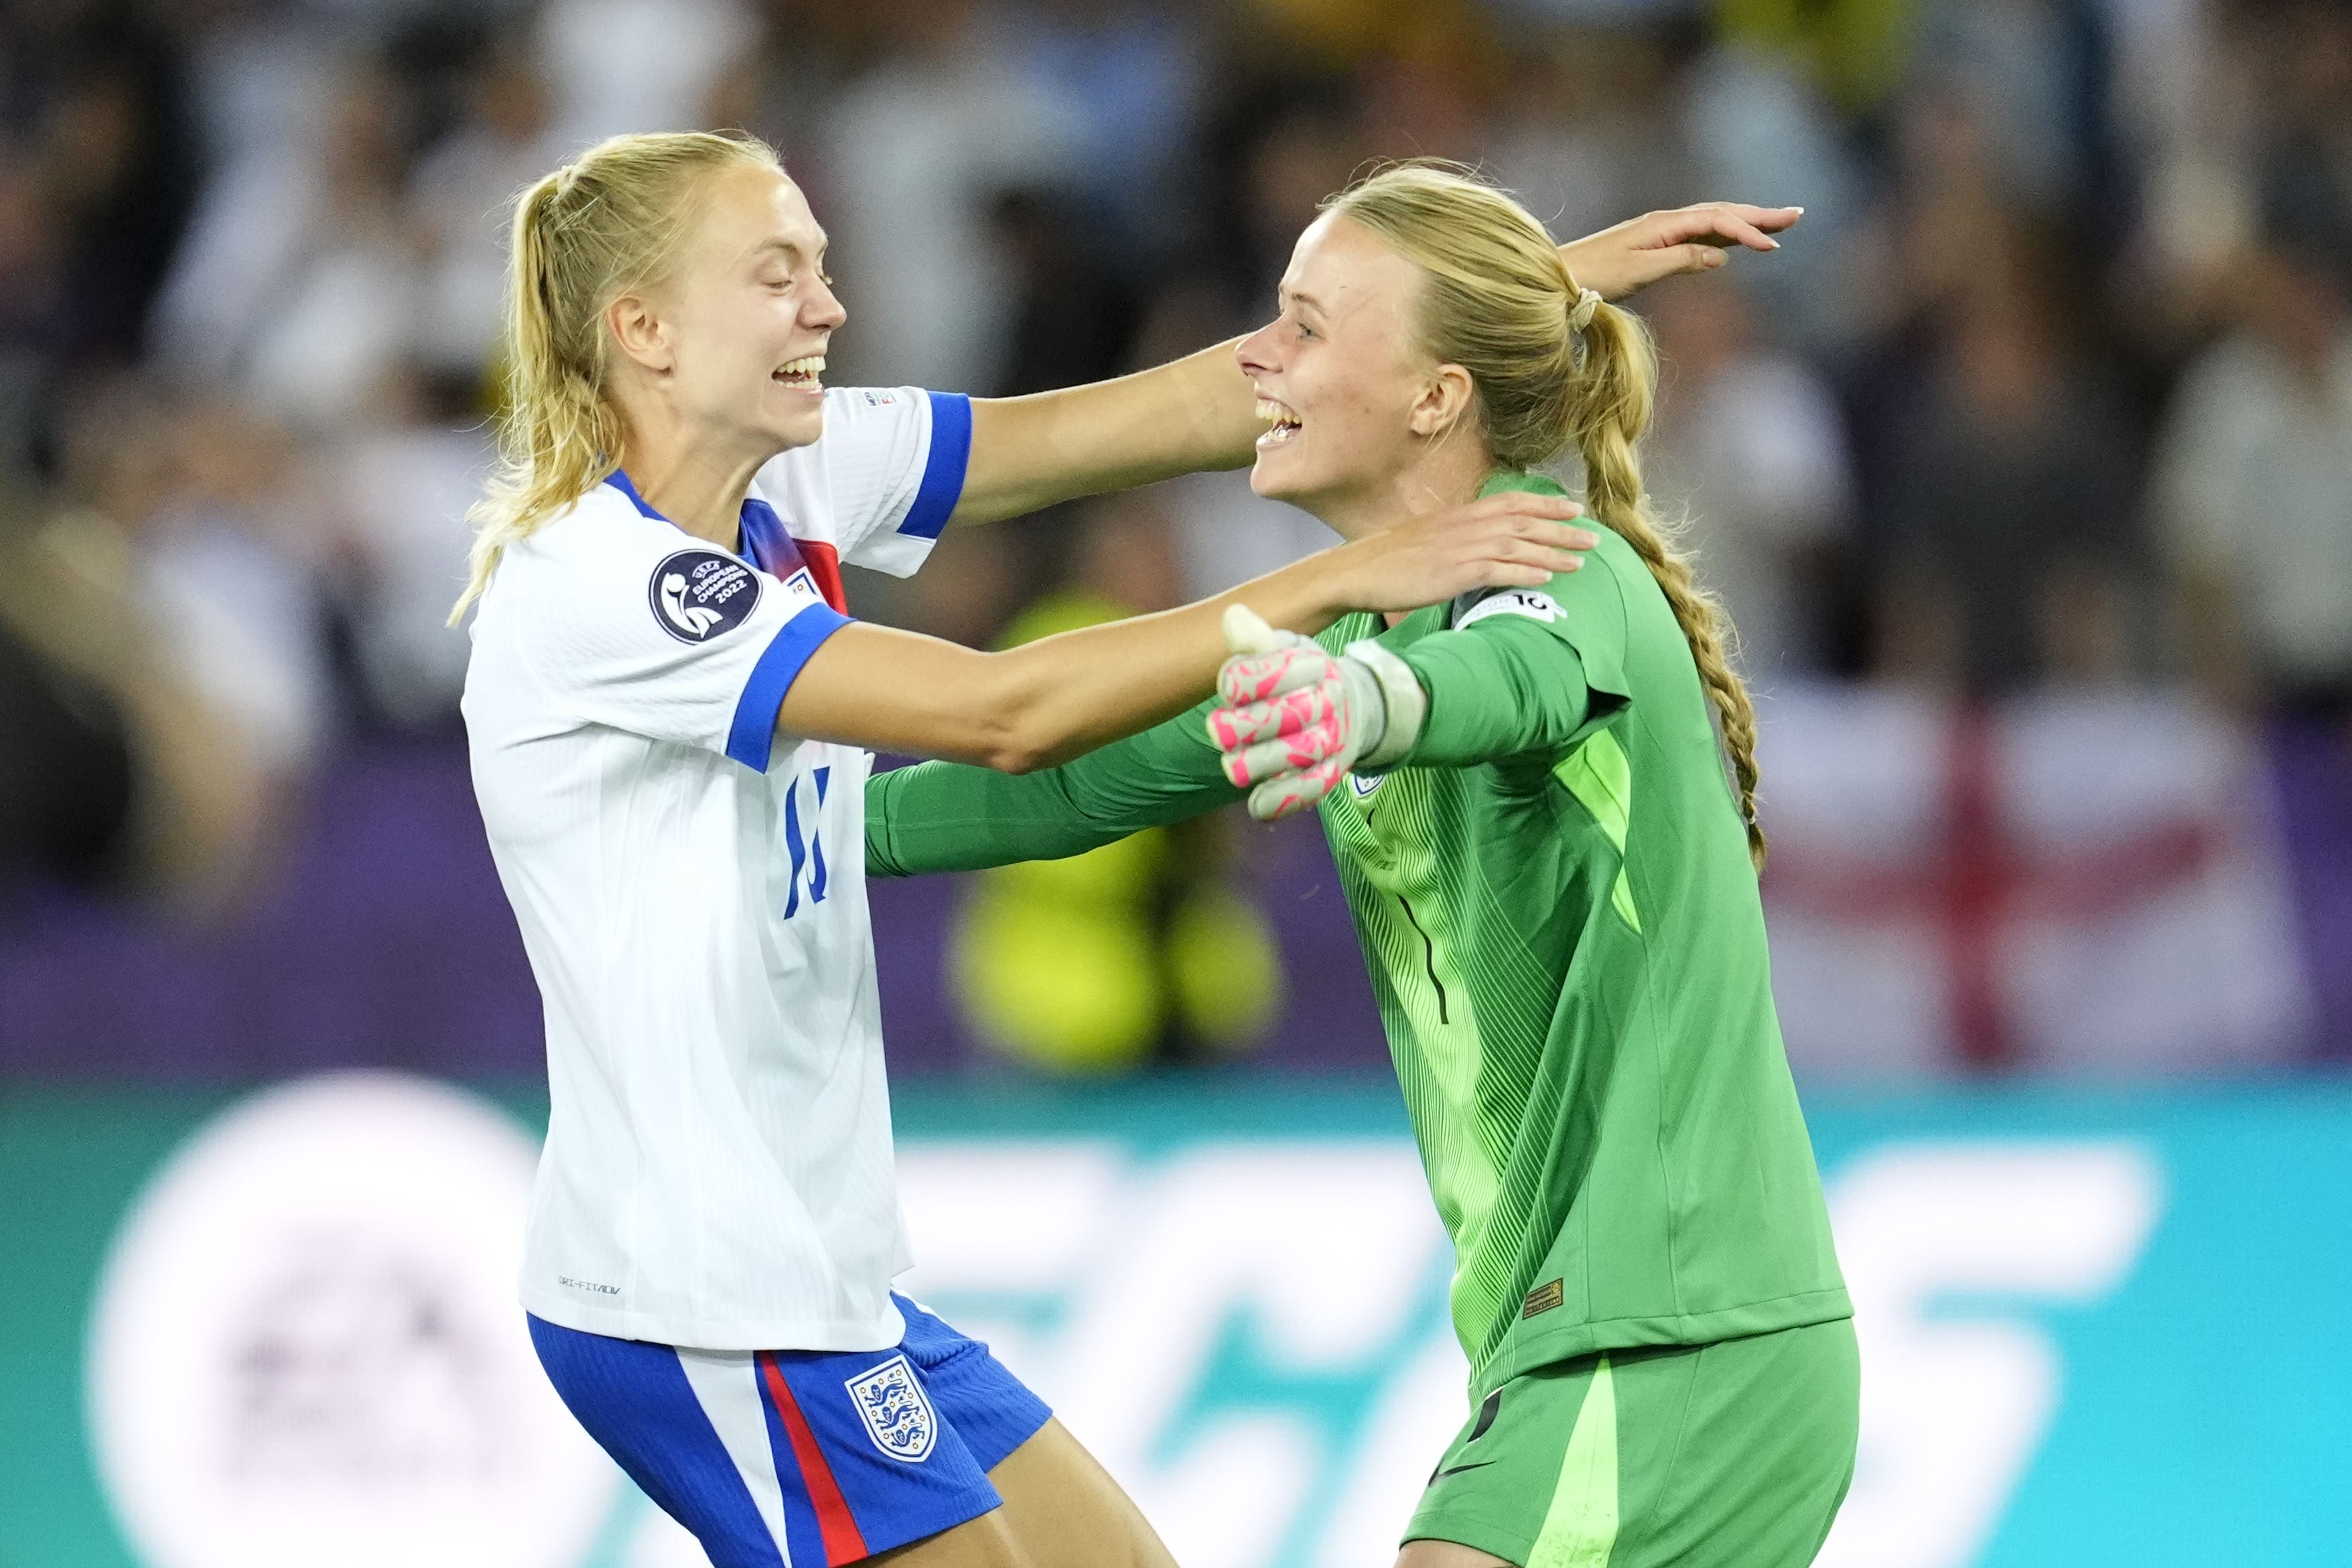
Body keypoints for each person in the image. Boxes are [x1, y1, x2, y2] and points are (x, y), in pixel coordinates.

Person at [457, 128, 1650, 1568]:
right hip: (697, 1302)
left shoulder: (790, 480)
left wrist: (1511, 301)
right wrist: (1341, 575)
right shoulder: (602, 582)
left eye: (823, 273)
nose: (826, 310)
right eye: (777, 277)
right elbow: (1001, 713)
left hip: (819, 1283)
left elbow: (1140, 419)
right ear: (640, 330)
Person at [865, 163, 1854, 1568]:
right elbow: (1074, 781)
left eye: (1303, 325)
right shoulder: (1341, 635)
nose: (1256, 359)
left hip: (1674, 1330)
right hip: (1584, 1340)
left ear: (1435, 397)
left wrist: (1369, 708)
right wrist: (801, 839)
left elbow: (1506, 679)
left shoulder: (1553, 565)